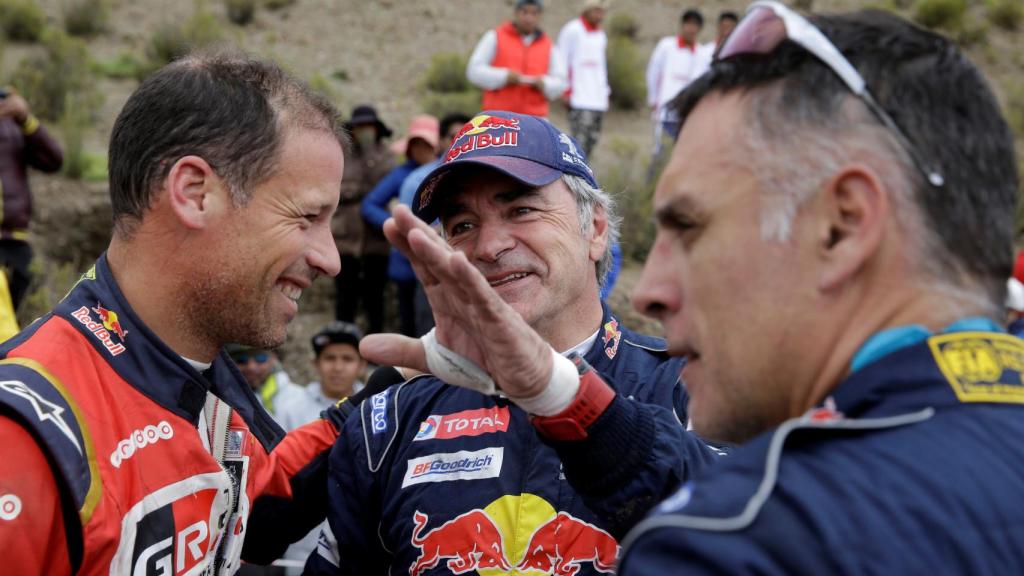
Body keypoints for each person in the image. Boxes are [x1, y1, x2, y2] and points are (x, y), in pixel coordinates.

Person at [363, 3, 1024, 574]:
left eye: (691, 226)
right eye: (461, 225)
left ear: (844, 226)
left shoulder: (736, 541)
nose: (649, 287)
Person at [305, 111, 722, 575]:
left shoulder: (697, 388)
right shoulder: (389, 421)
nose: (489, 246)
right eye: (462, 225)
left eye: (521, 210)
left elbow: (768, 533)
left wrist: (566, 398)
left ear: (596, 230)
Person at [0, 53, 351, 574]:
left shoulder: (201, 377)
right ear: (194, 193)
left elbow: (260, 509)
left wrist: (394, 393)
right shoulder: (23, 439)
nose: (331, 258)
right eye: (306, 217)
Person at [274, 321, 367, 574]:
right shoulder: (290, 407)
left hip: (361, 538)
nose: (337, 367)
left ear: (362, 366)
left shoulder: (378, 407)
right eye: (330, 358)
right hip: (301, 542)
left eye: (347, 359)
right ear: (316, 363)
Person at [362, 114, 440, 336]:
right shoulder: (402, 174)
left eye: (424, 143)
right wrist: (397, 227)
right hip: (405, 261)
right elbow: (370, 205)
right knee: (410, 323)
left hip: (436, 259)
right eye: (415, 143)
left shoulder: (448, 170)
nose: (419, 149)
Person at [397, 112, 473, 336]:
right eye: (453, 136)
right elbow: (406, 231)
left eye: (466, 135)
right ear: (440, 141)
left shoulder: (487, 177)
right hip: (432, 275)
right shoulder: (417, 181)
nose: (459, 141)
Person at [333, 104, 396, 330]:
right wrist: (354, 192)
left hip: (376, 239)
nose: (365, 131)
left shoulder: (387, 156)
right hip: (345, 239)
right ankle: (341, 342)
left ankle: (374, 349)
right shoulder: (341, 155)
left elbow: (385, 189)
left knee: (374, 297)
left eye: (369, 127)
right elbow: (333, 189)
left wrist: (369, 154)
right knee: (345, 295)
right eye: (360, 127)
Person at [0, 88, 63, 310]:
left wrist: (26, 119)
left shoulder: (11, 122)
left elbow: (53, 160)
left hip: (15, 241)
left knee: (24, 315)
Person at [467, 0, 568, 118]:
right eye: (524, 12)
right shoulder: (495, 36)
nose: (529, 18)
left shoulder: (549, 45)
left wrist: (543, 83)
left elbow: (562, 82)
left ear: (540, 16)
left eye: (534, 13)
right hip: (498, 117)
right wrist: (504, 77)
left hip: (535, 118)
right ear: (516, 13)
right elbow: (474, 71)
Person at [645, 9, 712, 153]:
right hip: (666, 113)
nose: (691, 29)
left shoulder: (703, 54)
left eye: (695, 25)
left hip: (689, 116)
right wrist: (654, 100)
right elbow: (653, 73)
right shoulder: (666, 46)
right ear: (682, 25)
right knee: (661, 153)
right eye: (688, 24)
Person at [557, 0, 611, 158]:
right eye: (596, 10)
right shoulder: (572, 30)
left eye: (602, 11)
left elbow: (601, 66)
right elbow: (562, 59)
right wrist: (565, 89)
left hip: (597, 98)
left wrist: (605, 91)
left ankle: (585, 178)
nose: (599, 15)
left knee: (592, 142)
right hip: (579, 97)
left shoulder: (601, 35)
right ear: (586, 10)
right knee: (578, 144)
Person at [228, 345, 306, 425]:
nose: (251, 367)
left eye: (261, 358)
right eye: (241, 360)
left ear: (274, 359)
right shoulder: (223, 400)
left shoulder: (300, 398)